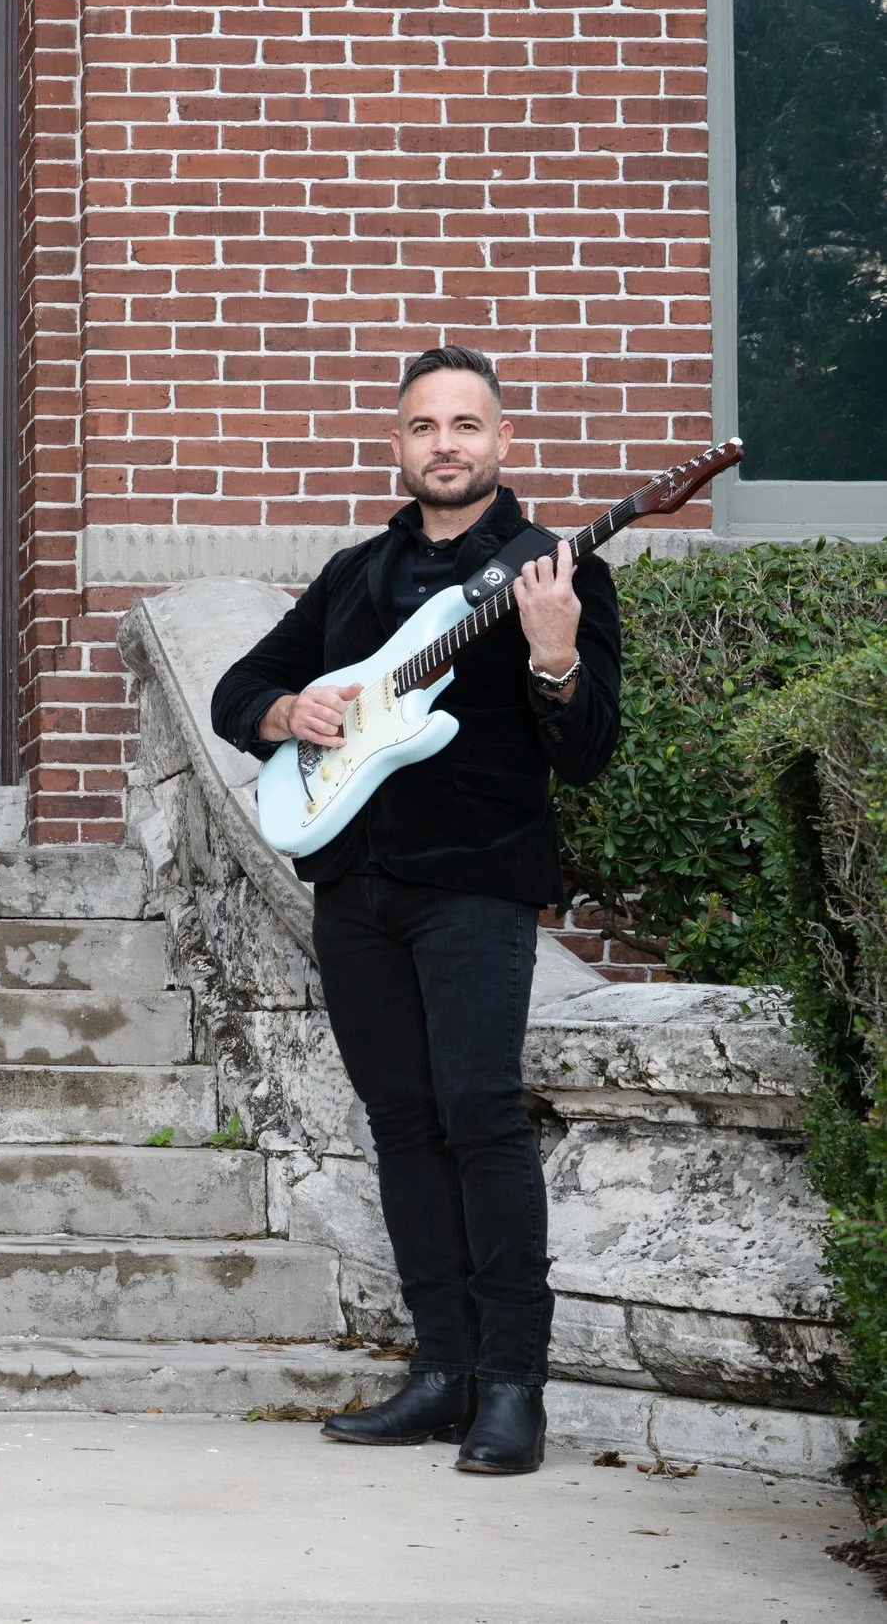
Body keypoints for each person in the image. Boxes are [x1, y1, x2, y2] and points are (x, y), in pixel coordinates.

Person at [210, 345, 622, 1476]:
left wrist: (553, 660)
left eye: (466, 424)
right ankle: (441, 1370)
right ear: (397, 443)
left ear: (502, 442)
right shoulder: (354, 574)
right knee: (400, 1119)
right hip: (355, 884)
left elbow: (587, 751)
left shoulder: (553, 569)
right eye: (424, 425)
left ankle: (513, 1386)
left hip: (476, 878)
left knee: (481, 1111)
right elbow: (237, 689)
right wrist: (287, 712)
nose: (445, 443)